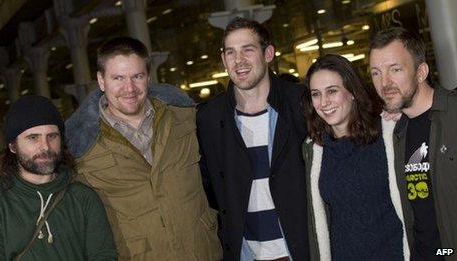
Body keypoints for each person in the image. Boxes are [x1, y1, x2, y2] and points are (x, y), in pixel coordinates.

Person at [65, 36, 222, 261]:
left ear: (148, 77)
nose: (129, 88)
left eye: (137, 76)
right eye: (118, 78)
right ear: (101, 81)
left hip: (203, 253)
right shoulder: (82, 149)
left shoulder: (185, 117)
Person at [196, 17, 310, 260]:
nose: (239, 61)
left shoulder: (301, 104)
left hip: (302, 250)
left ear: (268, 53)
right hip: (246, 254)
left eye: (248, 50)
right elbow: (209, 187)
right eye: (231, 52)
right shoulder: (209, 119)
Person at [301, 54, 409, 260]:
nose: (324, 102)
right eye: (316, 94)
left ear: (352, 92)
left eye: (332, 91)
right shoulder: (314, 150)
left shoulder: (390, 133)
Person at [369, 27, 457, 260]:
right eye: (376, 73)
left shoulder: (453, 116)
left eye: (395, 69)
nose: (384, 83)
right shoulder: (394, 130)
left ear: (421, 72)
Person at [0, 95, 116, 260]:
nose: (45, 146)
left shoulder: (83, 198)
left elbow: (103, 256)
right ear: (13, 146)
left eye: (52, 136)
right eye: (33, 137)